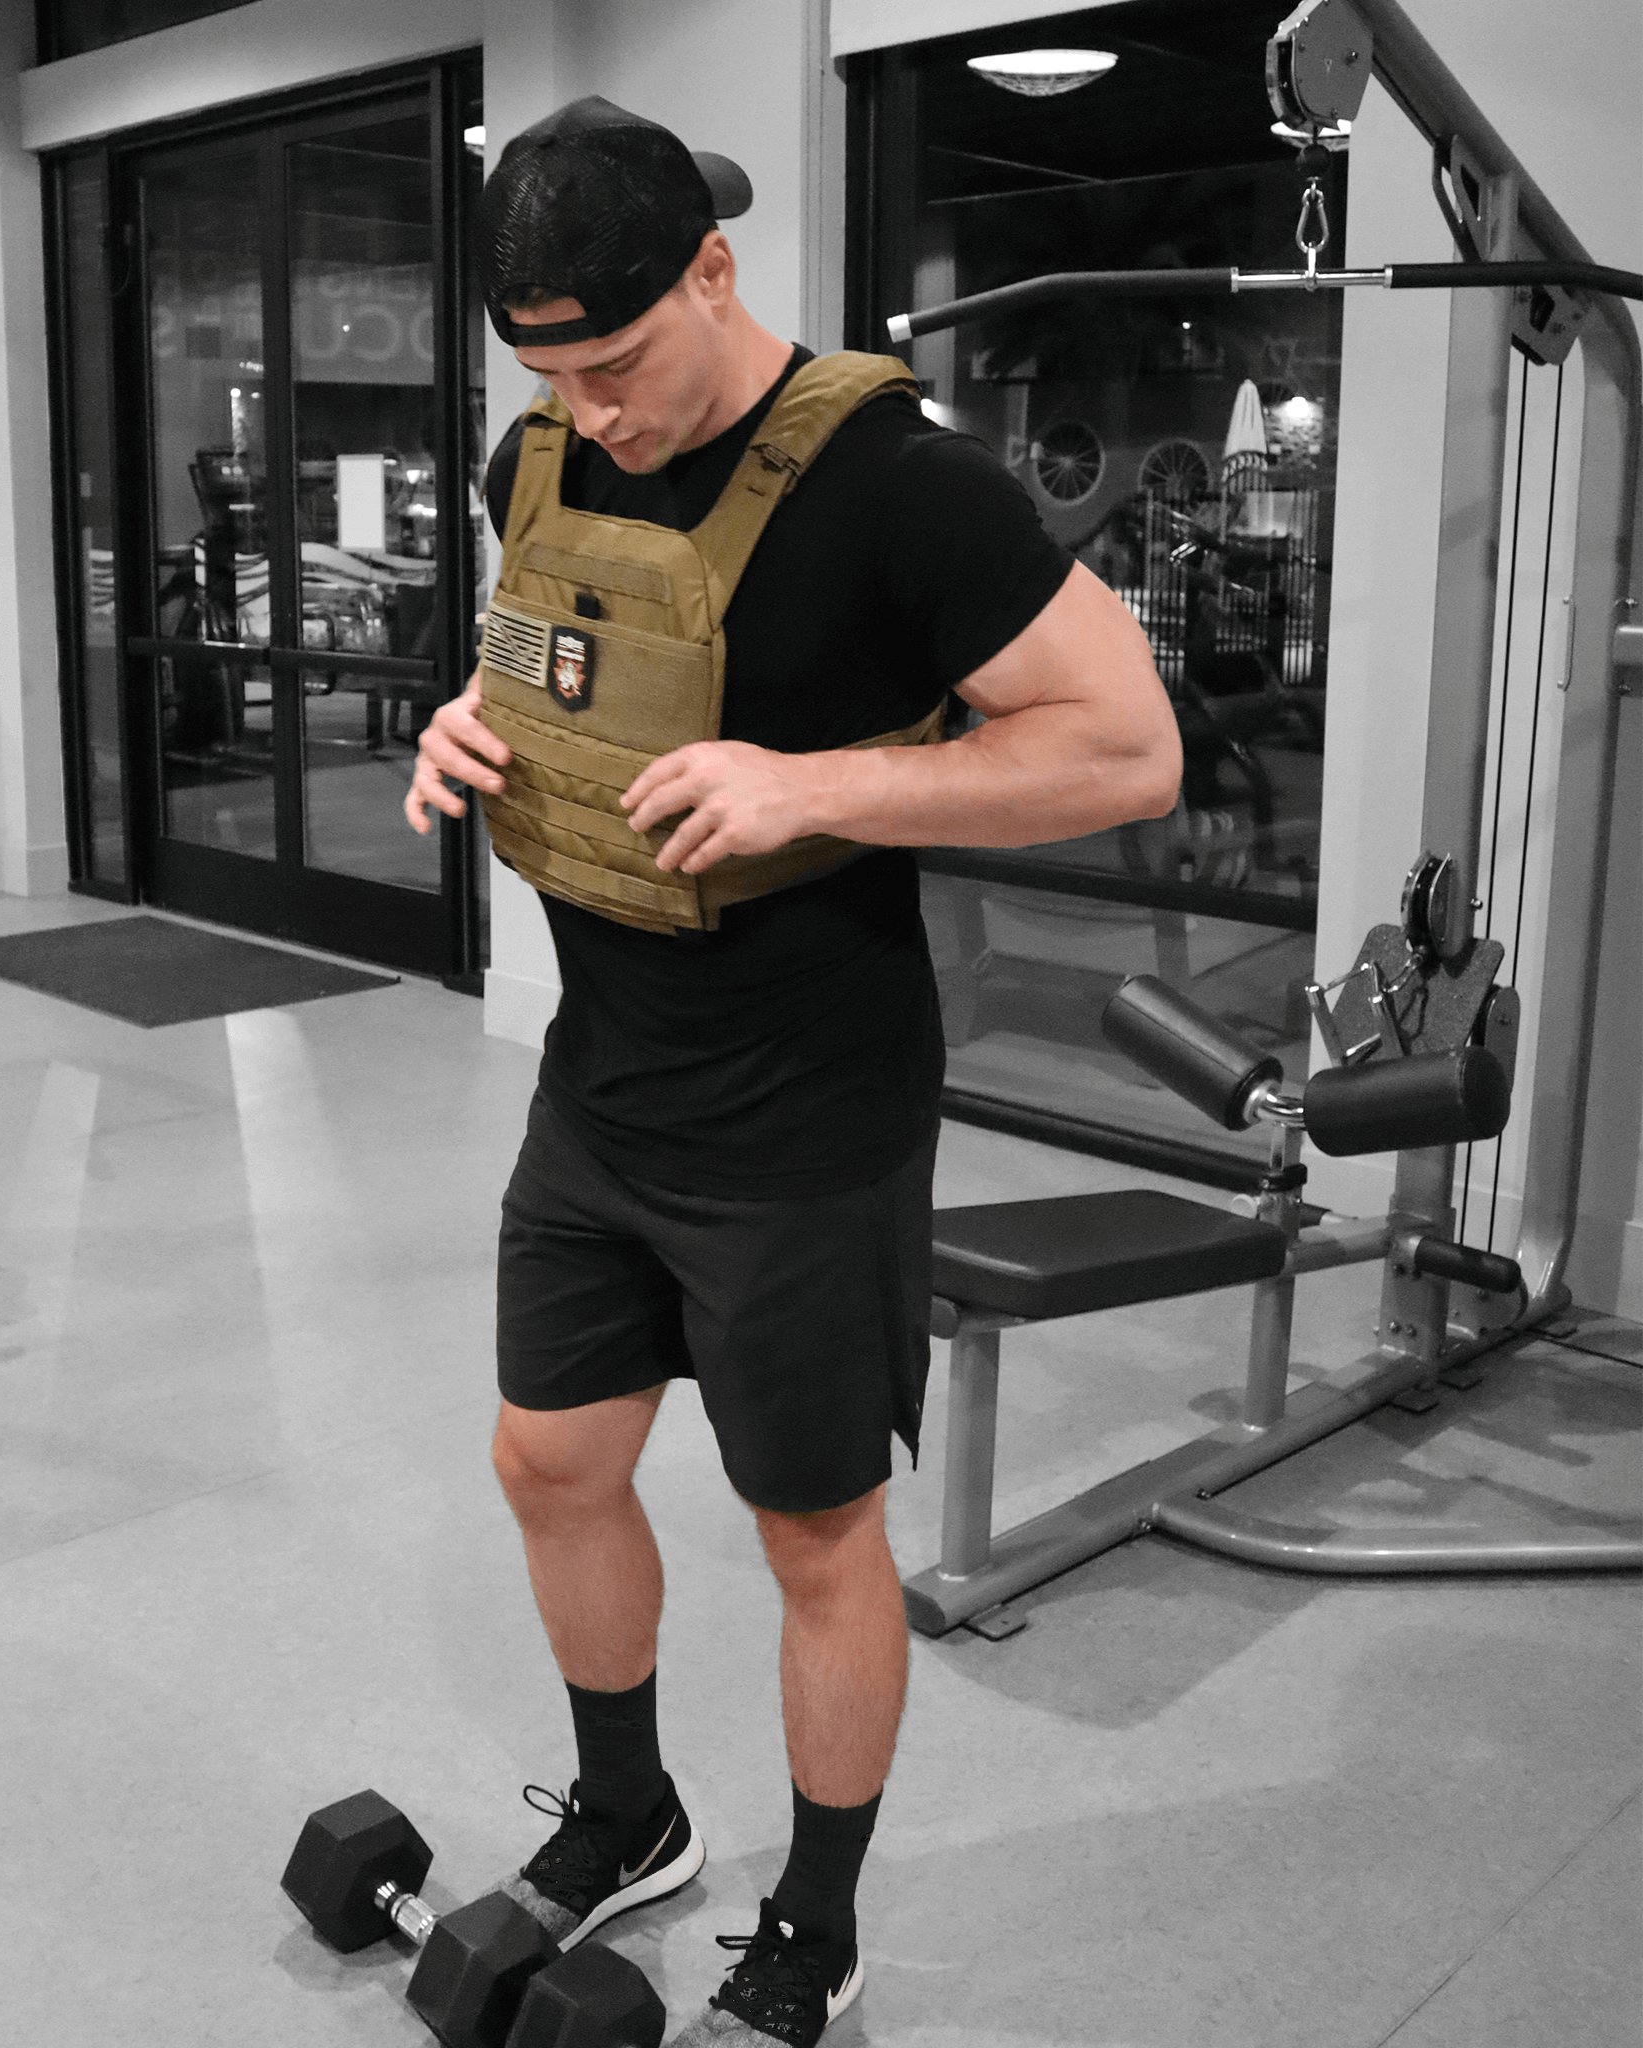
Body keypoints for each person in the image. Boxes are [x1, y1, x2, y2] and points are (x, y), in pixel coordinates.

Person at [405, 96, 1180, 2048]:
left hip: (809, 1116)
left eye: (618, 360)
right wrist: (462, 726)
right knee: (547, 1460)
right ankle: (630, 1813)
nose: (592, 410)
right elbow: (553, 667)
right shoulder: (539, 455)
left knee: (813, 1533)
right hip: (602, 1085)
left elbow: (1125, 745)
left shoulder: (903, 485)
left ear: (716, 269)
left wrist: (815, 784)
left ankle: (816, 1927)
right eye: (551, 374)